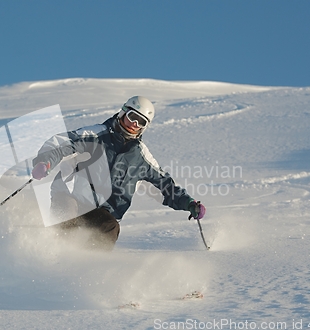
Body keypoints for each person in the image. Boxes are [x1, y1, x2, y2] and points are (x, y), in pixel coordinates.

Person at [31, 96, 205, 251]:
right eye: (132, 117)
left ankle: (89, 268)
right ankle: (51, 256)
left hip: (101, 210)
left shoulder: (141, 158)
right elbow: (61, 144)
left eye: (141, 122)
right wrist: (45, 162)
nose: (134, 124)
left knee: (109, 227)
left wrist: (189, 203)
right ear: (123, 113)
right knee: (68, 217)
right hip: (70, 196)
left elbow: (165, 187)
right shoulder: (96, 135)